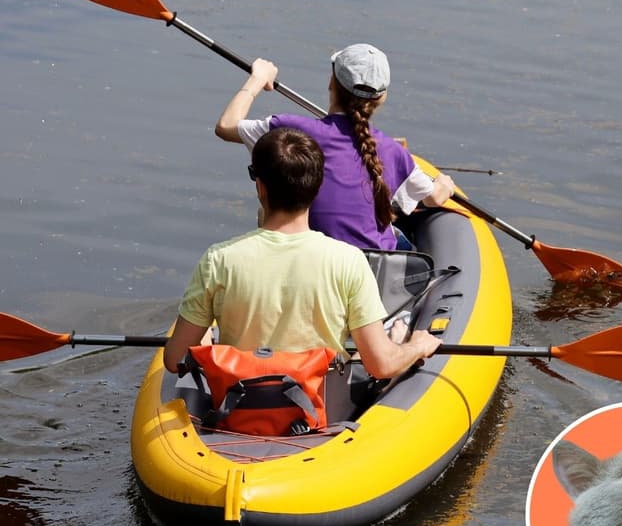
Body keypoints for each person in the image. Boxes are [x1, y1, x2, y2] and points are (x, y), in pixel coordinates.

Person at [163, 127, 440, 379]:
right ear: (317, 188)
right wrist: (416, 346)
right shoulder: (348, 261)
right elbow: (382, 366)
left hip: (235, 407)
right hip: (315, 411)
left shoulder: (218, 259)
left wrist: (206, 344)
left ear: (260, 187)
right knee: (387, 339)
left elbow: (175, 360)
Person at [213, 44, 455, 250]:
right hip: (373, 272)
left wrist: (258, 78)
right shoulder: (395, 153)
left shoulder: (290, 132)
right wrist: (444, 185)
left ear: (331, 83)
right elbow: (434, 198)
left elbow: (226, 126)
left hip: (312, 262)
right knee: (399, 237)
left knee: (264, 214)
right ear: (381, 98)